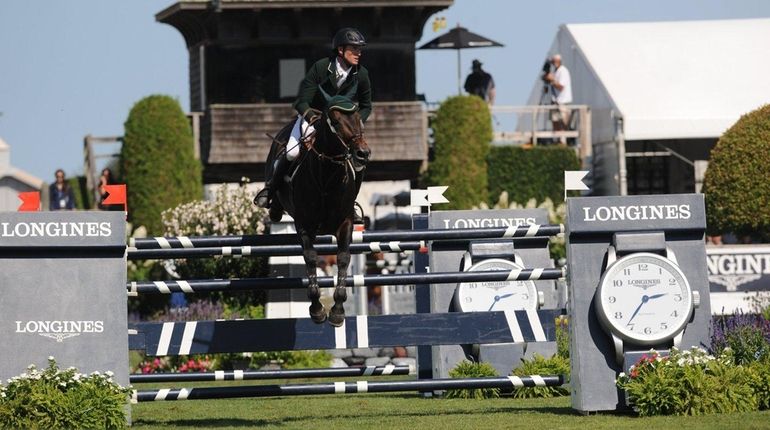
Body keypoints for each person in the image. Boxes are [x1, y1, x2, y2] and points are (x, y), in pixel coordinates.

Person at [255, 27, 372, 210]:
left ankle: (350, 203)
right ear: (340, 50)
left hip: (342, 126)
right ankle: (272, 191)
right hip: (314, 117)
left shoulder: (362, 74)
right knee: (292, 152)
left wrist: (355, 123)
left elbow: (366, 106)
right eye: (354, 48)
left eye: (360, 49)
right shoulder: (320, 68)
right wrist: (314, 120)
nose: (358, 53)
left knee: (359, 160)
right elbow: (302, 102)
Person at [544, 54, 572, 136]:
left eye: (554, 61)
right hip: (555, 102)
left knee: (563, 123)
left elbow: (561, 87)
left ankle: (563, 142)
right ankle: (557, 141)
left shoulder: (563, 71)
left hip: (562, 102)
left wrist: (552, 80)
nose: (553, 63)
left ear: (559, 61)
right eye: (552, 61)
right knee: (555, 121)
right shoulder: (556, 72)